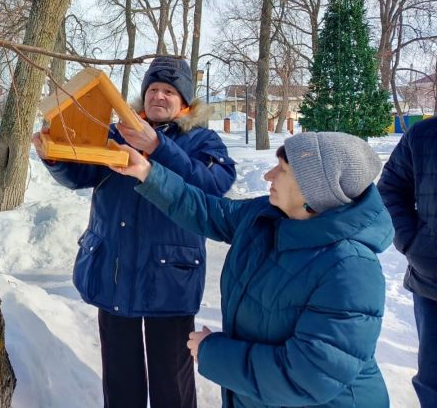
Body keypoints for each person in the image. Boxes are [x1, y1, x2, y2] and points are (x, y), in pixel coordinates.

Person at [112, 131, 393, 407]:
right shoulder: (268, 217)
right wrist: (148, 173)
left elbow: (307, 377)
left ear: (314, 191)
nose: (269, 175)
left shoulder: (351, 270)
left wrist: (212, 352)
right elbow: (208, 211)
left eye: (283, 169)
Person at [32, 57, 236, 408]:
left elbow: (214, 186)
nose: (158, 96)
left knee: (171, 380)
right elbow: (82, 175)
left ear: (185, 101)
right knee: (120, 379)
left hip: (170, 278)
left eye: (169, 91)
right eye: (153, 88)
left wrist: (158, 146)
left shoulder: (203, 141)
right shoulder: (115, 133)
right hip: (114, 270)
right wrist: (55, 159)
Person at [378, 116, 437, 407]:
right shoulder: (424, 135)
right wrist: (413, 243)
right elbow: (390, 190)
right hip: (433, 285)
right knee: (433, 382)